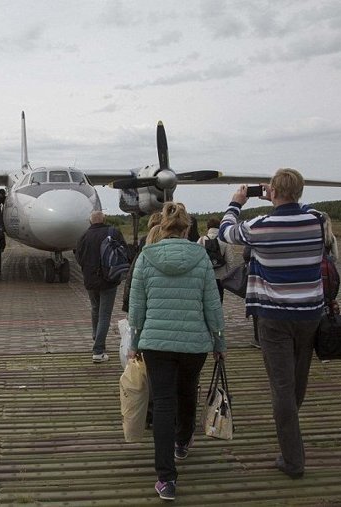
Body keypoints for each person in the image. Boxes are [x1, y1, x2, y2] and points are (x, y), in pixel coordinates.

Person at [218, 168, 324, 480]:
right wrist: (280, 196)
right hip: (310, 314)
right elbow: (302, 209)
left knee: (281, 388)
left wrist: (237, 202)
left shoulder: (260, 226)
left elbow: (226, 231)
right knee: (296, 383)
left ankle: (293, 460)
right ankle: (291, 429)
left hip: (275, 317)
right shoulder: (317, 220)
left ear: (273, 192)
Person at [127, 202, 225, 501]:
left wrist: (133, 343)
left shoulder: (146, 257)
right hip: (195, 344)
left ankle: (166, 479)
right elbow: (212, 304)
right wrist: (219, 343)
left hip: (156, 343)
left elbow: (137, 306)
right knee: (187, 392)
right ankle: (182, 442)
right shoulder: (201, 257)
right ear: (187, 229)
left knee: (164, 403)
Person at [75, 210, 127, 363]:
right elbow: (124, 252)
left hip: (90, 280)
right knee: (105, 315)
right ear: (103, 219)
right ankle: (98, 350)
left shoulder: (84, 236)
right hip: (109, 279)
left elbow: (79, 257)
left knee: (95, 309)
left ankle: (97, 338)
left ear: (90, 221)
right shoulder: (113, 232)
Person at [197, 216, 239, 302]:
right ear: (219, 227)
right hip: (221, 276)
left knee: (206, 299)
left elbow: (196, 258)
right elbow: (230, 260)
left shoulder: (201, 240)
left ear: (208, 227)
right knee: (219, 298)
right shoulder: (224, 241)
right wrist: (229, 276)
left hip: (206, 275)